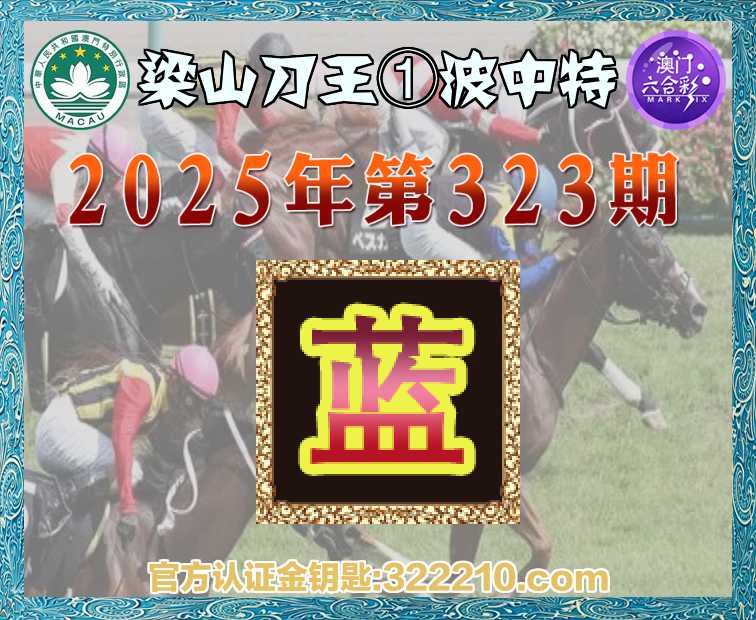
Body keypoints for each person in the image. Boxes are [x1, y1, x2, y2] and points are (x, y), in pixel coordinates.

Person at [34, 345, 220, 546]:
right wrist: (128, 509)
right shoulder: (143, 386)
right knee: (133, 471)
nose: (190, 410)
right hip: (57, 431)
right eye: (190, 400)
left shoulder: (159, 398)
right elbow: (121, 441)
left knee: (132, 470)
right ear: (175, 381)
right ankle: (56, 503)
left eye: (198, 405)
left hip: (67, 432)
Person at [25, 124, 143, 309]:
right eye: (110, 178)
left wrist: (165, 203)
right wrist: (99, 276)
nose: (110, 185)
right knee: (53, 215)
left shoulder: (93, 152)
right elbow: (67, 226)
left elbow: (122, 191)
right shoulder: (67, 168)